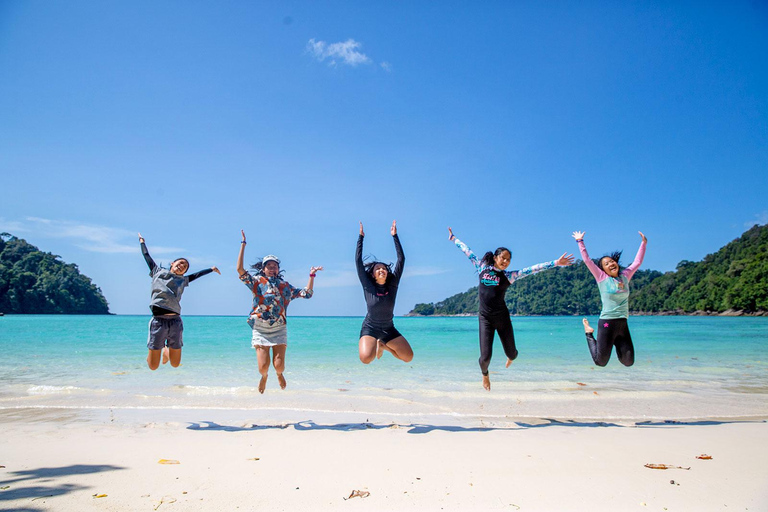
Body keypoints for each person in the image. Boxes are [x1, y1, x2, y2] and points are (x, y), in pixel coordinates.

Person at [449, 227, 574, 390]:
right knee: (485, 358)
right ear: (495, 257)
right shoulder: (481, 267)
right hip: (485, 318)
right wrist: (454, 239)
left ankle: (511, 357)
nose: (506, 262)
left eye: (508, 260)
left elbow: (532, 269)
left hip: (502, 319)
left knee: (512, 354)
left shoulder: (509, 276)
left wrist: (556, 263)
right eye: (503, 258)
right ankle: (485, 375)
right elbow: (467, 251)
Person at [237, 230, 322, 393]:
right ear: (263, 269)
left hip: (279, 328)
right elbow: (239, 269)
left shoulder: (285, 287)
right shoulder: (256, 283)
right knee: (263, 368)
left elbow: (307, 294)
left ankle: (278, 374)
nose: (271, 268)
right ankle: (264, 377)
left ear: (278, 269)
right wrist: (243, 244)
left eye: (274, 266)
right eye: (268, 266)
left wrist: (312, 275)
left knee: (279, 366)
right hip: (260, 328)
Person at [139, 233, 220, 370]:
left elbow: (197, 275)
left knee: (175, 364)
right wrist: (142, 242)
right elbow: (147, 256)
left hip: (175, 321)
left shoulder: (183, 280)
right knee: (153, 366)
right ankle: (162, 348)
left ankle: (166, 349)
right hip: (158, 321)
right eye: (181, 262)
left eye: (185, 266)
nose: (182, 265)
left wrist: (211, 269)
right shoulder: (157, 271)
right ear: (173, 263)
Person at [572, 230, 647, 367]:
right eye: (606, 264)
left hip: (622, 323)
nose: (611, 264)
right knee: (600, 362)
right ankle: (589, 333)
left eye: (612, 261)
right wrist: (580, 241)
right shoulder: (602, 278)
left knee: (628, 361)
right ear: (603, 270)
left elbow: (637, 262)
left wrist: (643, 243)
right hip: (607, 323)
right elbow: (587, 261)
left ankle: (615, 345)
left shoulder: (625, 276)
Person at [356, 221, 414, 364]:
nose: (381, 269)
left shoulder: (392, 285)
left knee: (408, 357)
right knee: (366, 359)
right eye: (378, 268)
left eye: (384, 268)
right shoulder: (368, 286)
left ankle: (383, 345)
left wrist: (395, 236)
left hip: (388, 328)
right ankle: (377, 343)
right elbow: (358, 261)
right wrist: (361, 238)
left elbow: (402, 259)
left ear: (387, 272)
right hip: (370, 328)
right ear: (373, 274)